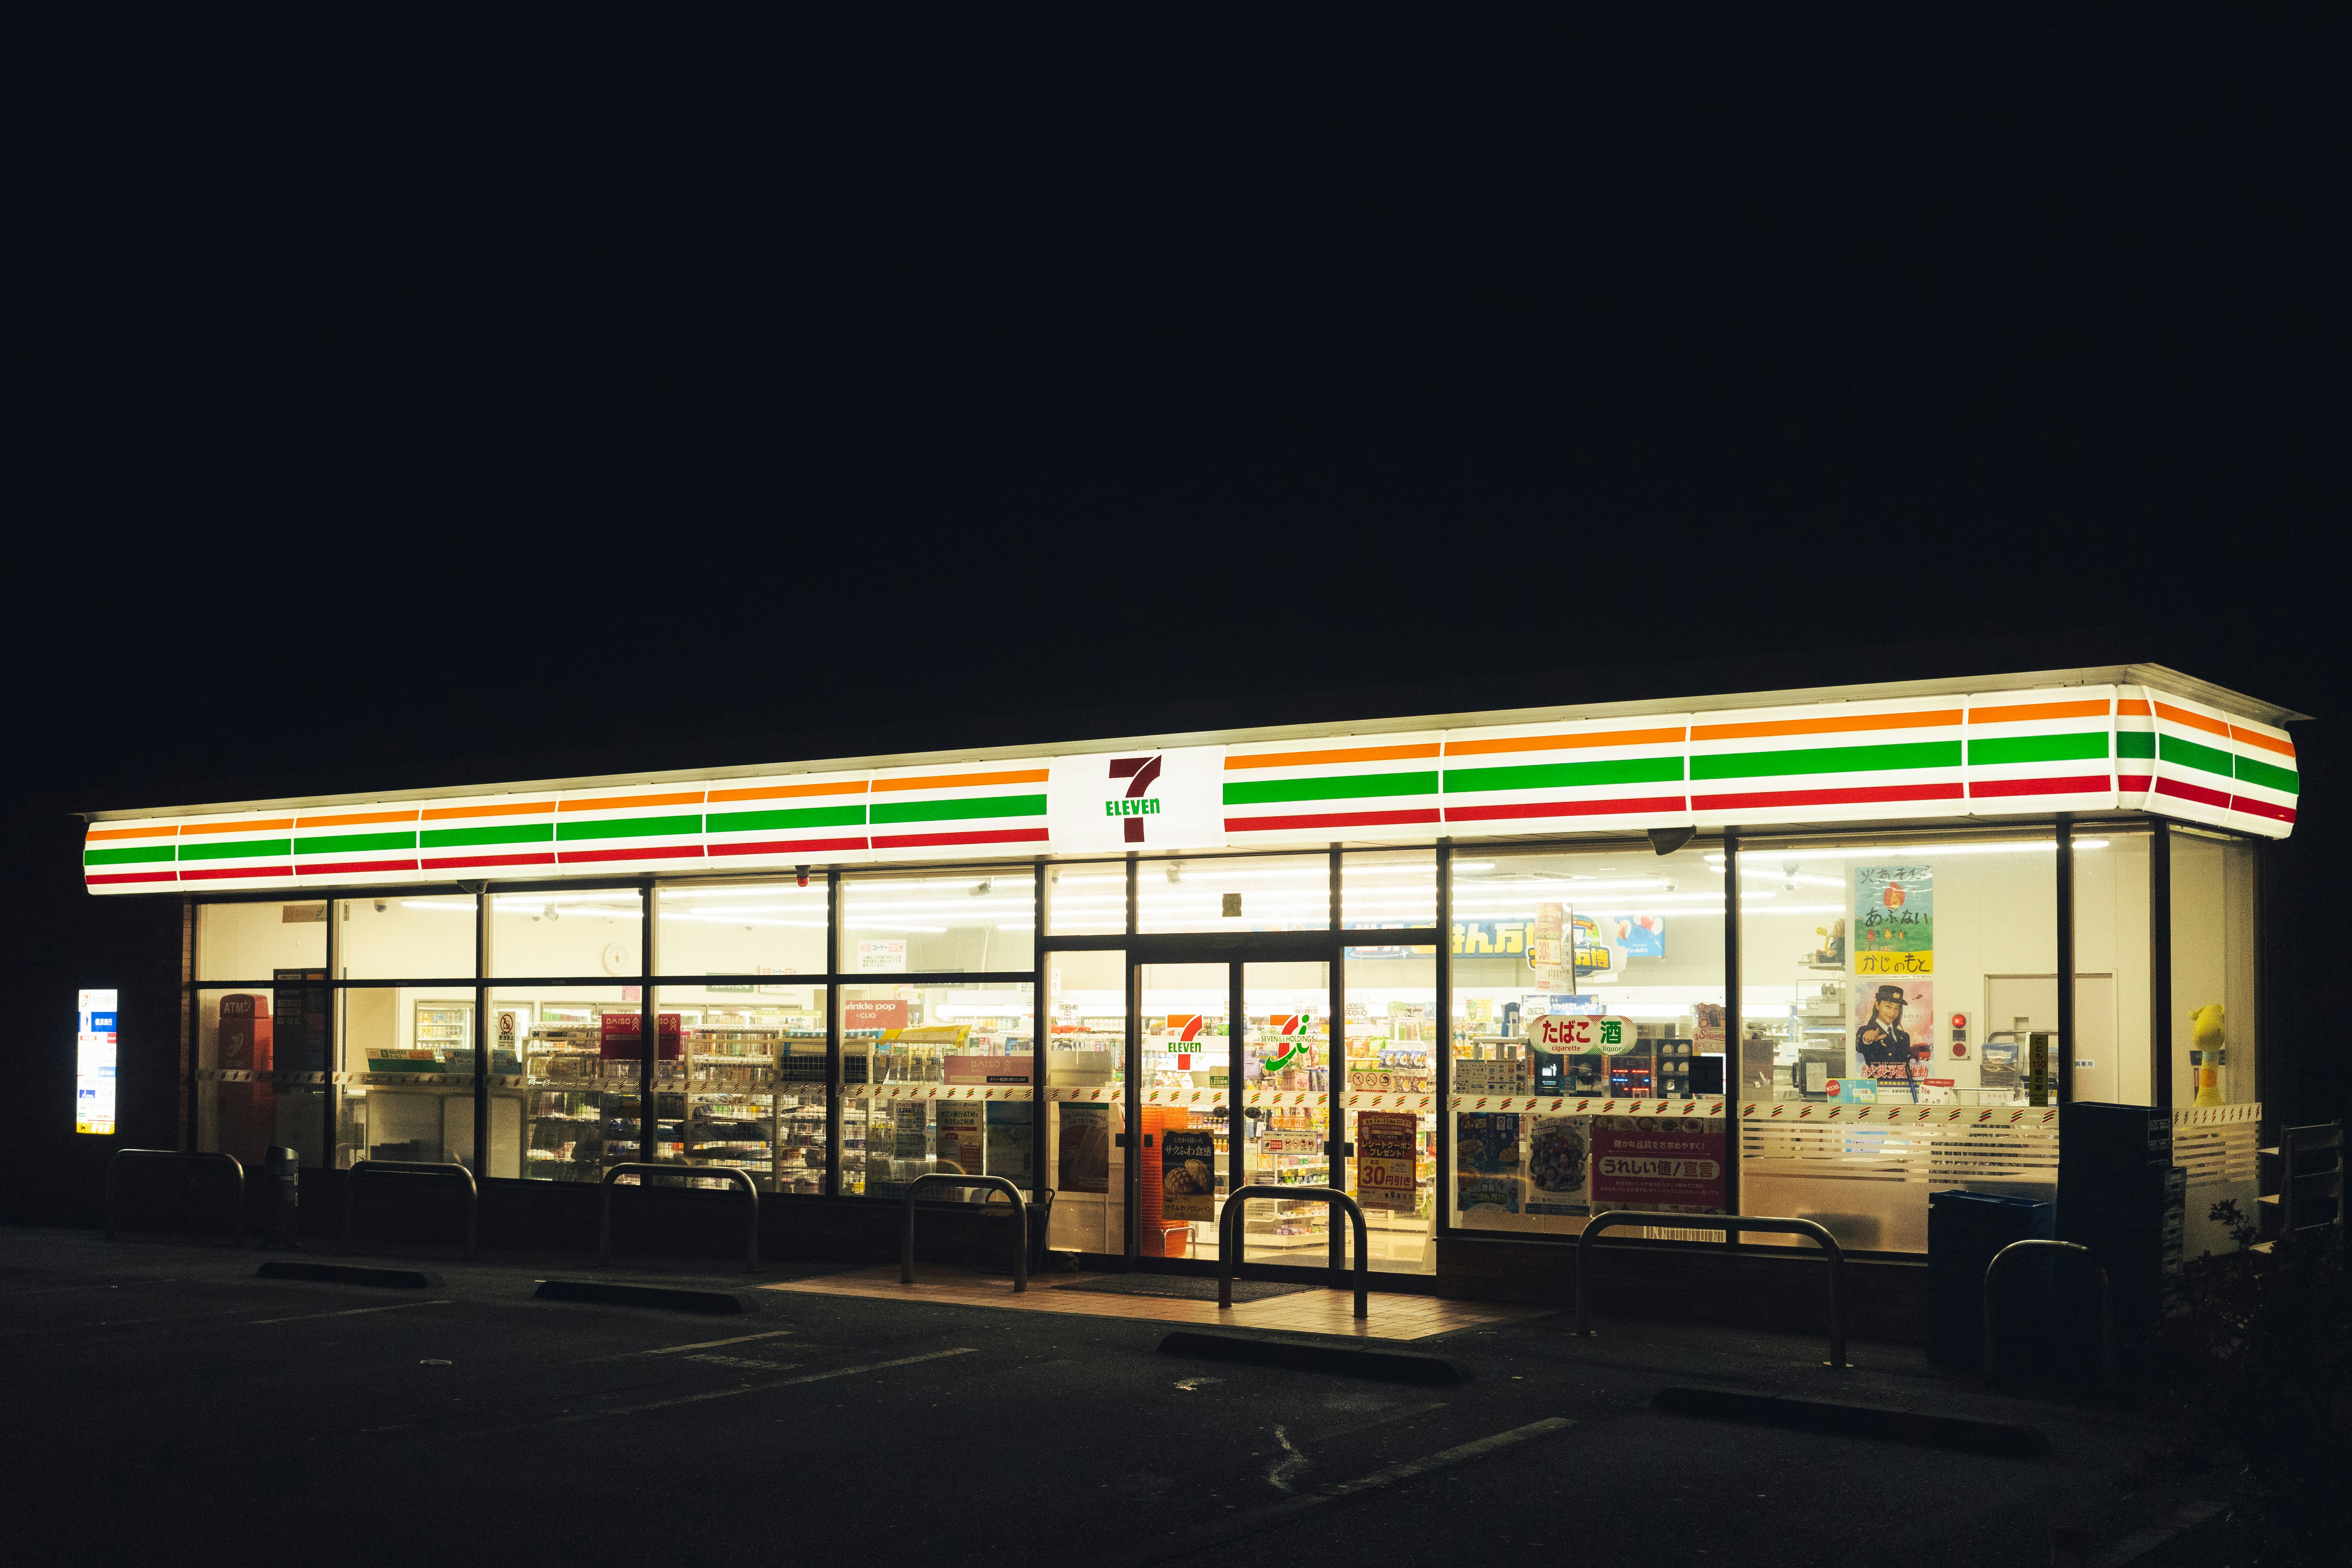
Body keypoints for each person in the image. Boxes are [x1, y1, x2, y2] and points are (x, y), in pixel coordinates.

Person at [1855, 984, 1919, 1098]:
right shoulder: (1867, 1030)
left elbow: (1907, 1069)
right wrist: (1867, 1039)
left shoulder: (1903, 1036)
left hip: (1903, 1093)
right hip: (1878, 1092)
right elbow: (1861, 1045)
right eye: (1888, 1007)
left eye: (1897, 1008)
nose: (1893, 1013)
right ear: (1877, 1005)